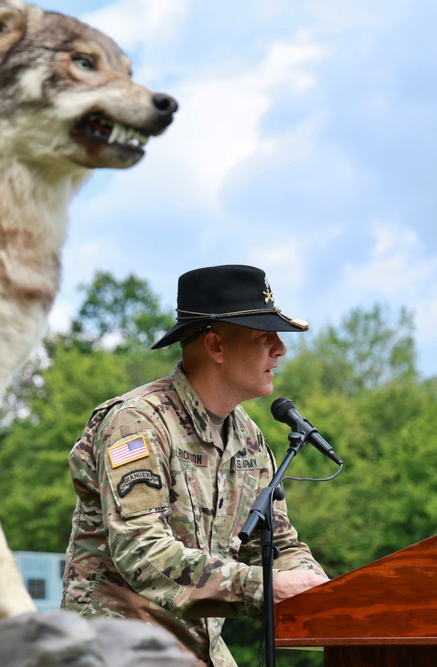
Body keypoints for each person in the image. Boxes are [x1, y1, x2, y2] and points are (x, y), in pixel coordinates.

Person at [60, 264, 330, 667]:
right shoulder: (137, 424)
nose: (281, 349)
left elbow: (277, 547)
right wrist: (265, 588)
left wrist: (322, 590)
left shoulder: (249, 439)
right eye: (264, 336)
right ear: (216, 346)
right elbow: (143, 553)